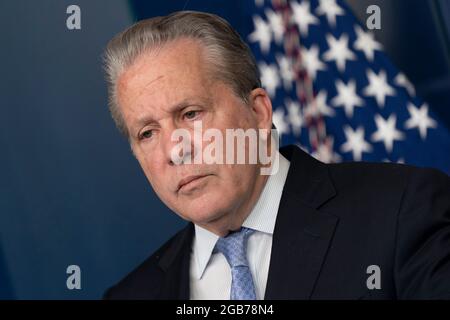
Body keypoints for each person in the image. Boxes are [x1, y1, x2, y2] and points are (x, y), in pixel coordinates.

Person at [102, 11, 450, 300]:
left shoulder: (402, 212)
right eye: (147, 133)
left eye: (191, 114)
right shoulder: (130, 296)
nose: (175, 150)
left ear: (257, 111)